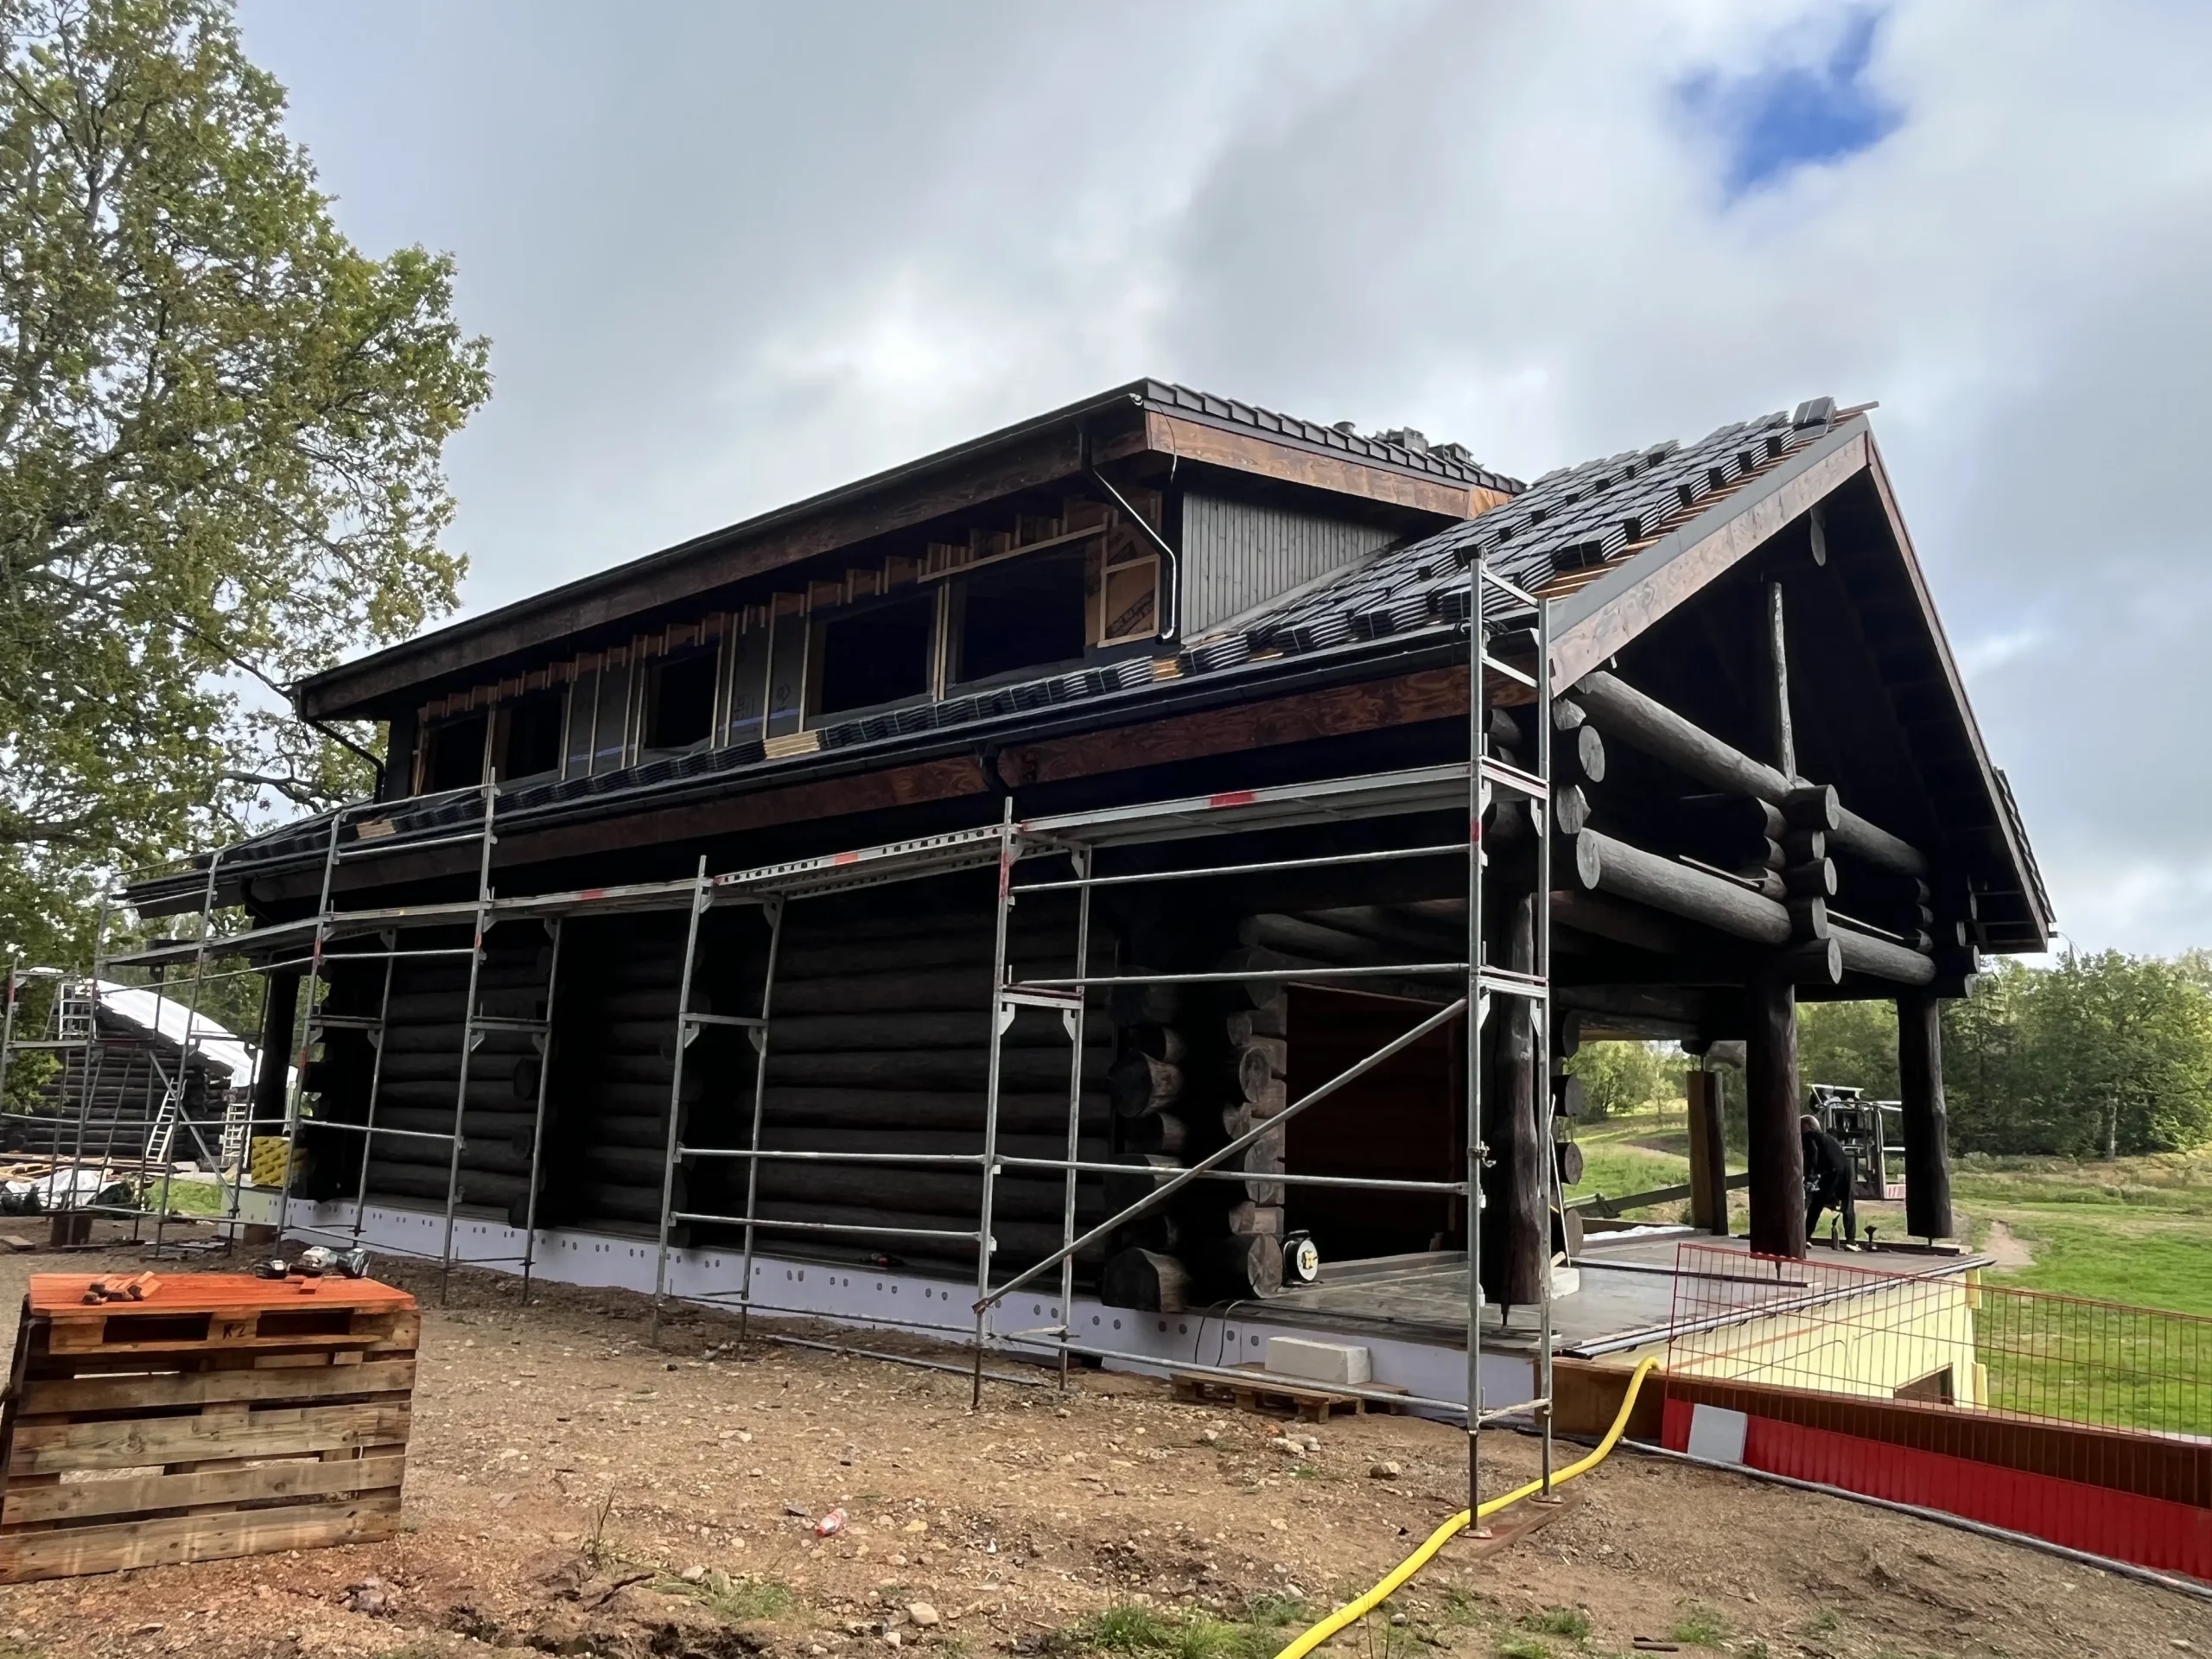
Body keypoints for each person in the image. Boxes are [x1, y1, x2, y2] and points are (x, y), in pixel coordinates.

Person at [1801, 1111, 1858, 1246]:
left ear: (1808, 1126)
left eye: (1800, 1126)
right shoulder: (1828, 1137)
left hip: (1831, 1171)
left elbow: (1813, 1153)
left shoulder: (1809, 1136)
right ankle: (1851, 1240)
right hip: (1846, 1169)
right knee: (1847, 1205)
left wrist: (1810, 1175)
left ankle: (1805, 1237)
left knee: (1816, 1204)